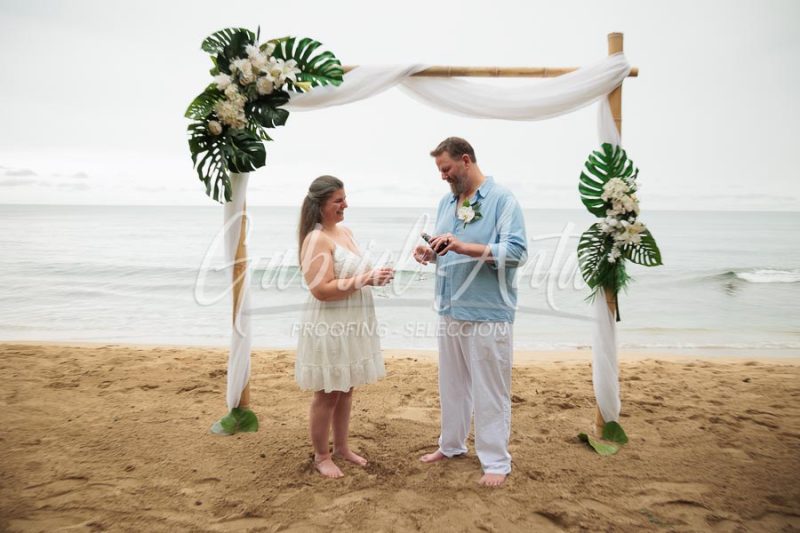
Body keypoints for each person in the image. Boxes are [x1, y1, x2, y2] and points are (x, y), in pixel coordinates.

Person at [413, 137, 528, 487]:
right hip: (449, 307)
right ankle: (450, 446)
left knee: (489, 388)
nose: (443, 177)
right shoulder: (445, 203)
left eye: (446, 169)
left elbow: (517, 252)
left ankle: (496, 462)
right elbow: (447, 250)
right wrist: (430, 253)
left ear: (465, 160)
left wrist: (464, 245)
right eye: (439, 171)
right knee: (451, 385)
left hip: (488, 311)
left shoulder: (503, 200)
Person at [296, 175, 394, 479]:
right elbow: (320, 289)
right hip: (330, 323)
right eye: (338, 200)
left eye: (344, 198)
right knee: (328, 391)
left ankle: (341, 447)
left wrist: (376, 276)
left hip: (353, 320)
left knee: (347, 386)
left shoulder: (345, 231)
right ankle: (321, 455)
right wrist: (364, 279)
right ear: (322, 204)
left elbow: (355, 272)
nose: (345, 204)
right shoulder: (316, 238)